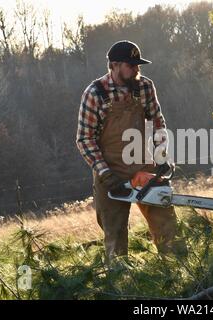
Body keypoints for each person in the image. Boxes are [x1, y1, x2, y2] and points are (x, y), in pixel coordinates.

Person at [76, 40, 186, 262]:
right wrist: (104, 173)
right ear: (114, 65)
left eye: (138, 65)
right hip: (111, 171)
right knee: (115, 239)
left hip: (144, 166)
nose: (137, 69)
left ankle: (180, 272)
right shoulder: (95, 93)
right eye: (131, 65)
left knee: (167, 227)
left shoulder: (145, 86)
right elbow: (85, 139)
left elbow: (157, 123)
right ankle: (121, 286)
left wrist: (162, 155)